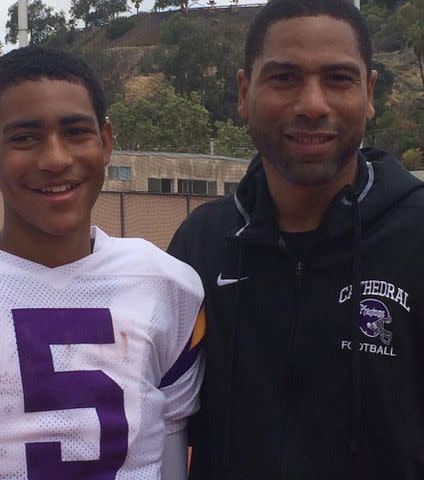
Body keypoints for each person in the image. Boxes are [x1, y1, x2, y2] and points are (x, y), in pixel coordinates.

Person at [168, 0, 424, 478]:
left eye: (338, 79)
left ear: (369, 92)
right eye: (284, 78)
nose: (312, 104)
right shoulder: (199, 246)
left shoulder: (416, 236)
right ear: (245, 93)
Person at [0, 46, 205, 479]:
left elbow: (169, 444)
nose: (55, 159)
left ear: (105, 143)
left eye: (76, 132)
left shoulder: (165, 286)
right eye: (25, 137)